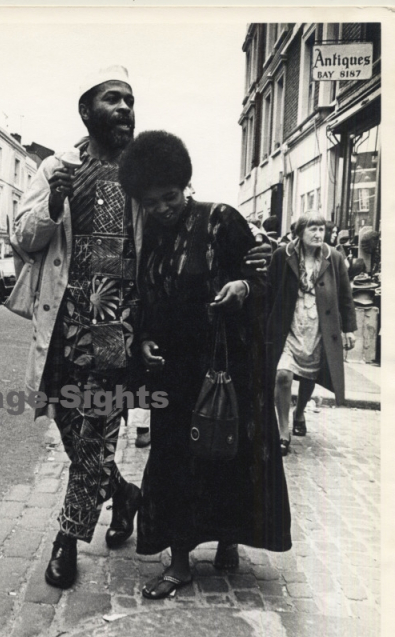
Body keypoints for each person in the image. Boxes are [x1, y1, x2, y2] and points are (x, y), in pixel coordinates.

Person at [11, 70, 272, 590]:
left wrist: (249, 254)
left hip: (120, 330)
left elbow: (180, 219)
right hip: (65, 328)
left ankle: (67, 540)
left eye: (130, 100)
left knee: (92, 438)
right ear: (87, 111)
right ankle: (125, 495)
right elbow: (22, 237)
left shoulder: (138, 173)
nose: (126, 108)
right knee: (70, 430)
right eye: (113, 100)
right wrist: (53, 204)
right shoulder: (56, 167)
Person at [117, 131, 291, 598]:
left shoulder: (221, 219)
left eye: (169, 197)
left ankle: (228, 537)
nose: (161, 208)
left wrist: (243, 289)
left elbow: (266, 272)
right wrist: (145, 340)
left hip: (223, 364)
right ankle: (178, 564)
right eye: (150, 201)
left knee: (226, 451)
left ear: (184, 184)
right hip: (172, 369)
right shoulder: (148, 235)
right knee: (173, 459)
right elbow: (146, 297)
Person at [269, 212, 357, 455]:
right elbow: (269, 290)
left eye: (322, 230)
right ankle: (283, 430)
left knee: (310, 375)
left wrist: (349, 328)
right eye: (313, 230)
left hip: (320, 324)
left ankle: (299, 414)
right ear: (300, 233)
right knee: (283, 375)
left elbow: (345, 294)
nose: (320, 234)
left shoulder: (334, 257)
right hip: (290, 323)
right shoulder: (282, 255)